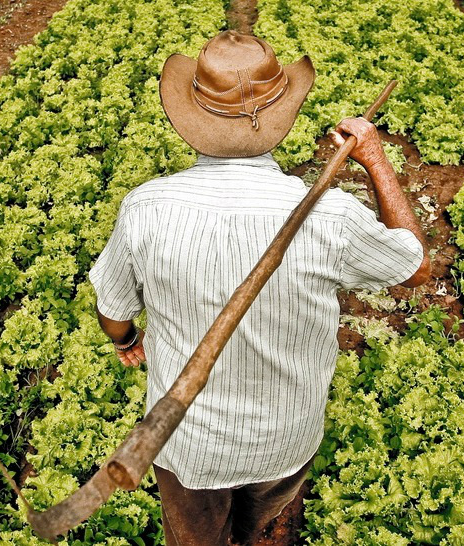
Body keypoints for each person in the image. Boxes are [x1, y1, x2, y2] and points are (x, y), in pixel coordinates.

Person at [88, 30, 431, 546]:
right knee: (263, 526)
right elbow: (415, 266)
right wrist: (376, 160)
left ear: (191, 119)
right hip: (284, 441)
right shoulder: (331, 215)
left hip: (188, 448)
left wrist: (125, 341)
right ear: (282, 116)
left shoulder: (145, 209)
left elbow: (113, 309)